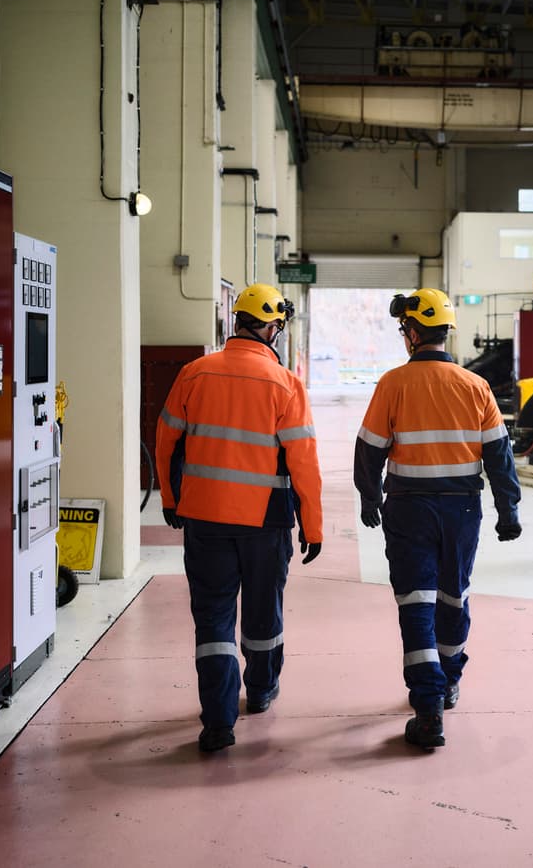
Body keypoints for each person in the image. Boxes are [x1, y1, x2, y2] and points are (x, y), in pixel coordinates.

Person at [156, 282, 323, 753]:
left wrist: (171, 499)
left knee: (213, 617)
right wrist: (313, 525)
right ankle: (262, 689)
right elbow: (304, 463)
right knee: (262, 612)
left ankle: (217, 721)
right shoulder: (286, 384)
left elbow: (166, 441)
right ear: (271, 328)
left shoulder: (193, 373)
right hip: (265, 522)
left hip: (204, 519)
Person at [354, 288, 522, 751]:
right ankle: (447, 682)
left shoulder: (392, 384)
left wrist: (369, 497)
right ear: (446, 332)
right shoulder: (476, 387)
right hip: (462, 510)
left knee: (416, 603)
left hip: (409, 509)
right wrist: (509, 510)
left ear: (411, 332)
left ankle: (428, 709)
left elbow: (369, 449)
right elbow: (500, 457)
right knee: (454, 597)